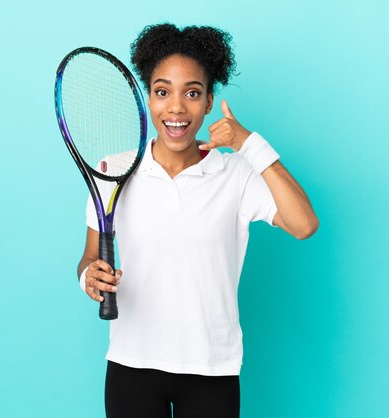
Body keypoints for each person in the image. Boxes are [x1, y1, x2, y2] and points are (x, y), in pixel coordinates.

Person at [76, 23, 319, 418]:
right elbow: (88, 258)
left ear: (208, 102)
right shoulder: (113, 171)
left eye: (191, 93)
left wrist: (248, 144)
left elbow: (304, 224)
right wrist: (89, 277)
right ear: (149, 99)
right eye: (162, 91)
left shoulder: (236, 174)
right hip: (131, 366)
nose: (175, 107)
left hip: (212, 370)